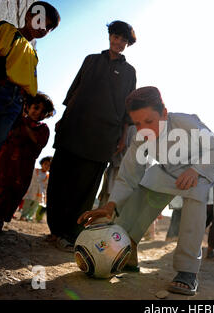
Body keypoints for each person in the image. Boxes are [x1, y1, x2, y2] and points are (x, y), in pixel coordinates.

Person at [78, 86, 214, 296]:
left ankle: (187, 271)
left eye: (149, 121)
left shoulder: (185, 122)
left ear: (164, 113)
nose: (143, 128)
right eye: (137, 123)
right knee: (146, 183)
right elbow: (128, 176)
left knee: (195, 195)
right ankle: (127, 248)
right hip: (168, 172)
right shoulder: (140, 137)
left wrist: (196, 170)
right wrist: (110, 205)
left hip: (203, 172)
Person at [0, 1, 60, 231]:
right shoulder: (6, 30)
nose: (43, 30)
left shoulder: (33, 54)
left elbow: (29, 90)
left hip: (13, 105)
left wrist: (20, 113)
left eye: (48, 28)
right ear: (29, 15)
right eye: (41, 22)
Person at [46, 20, 137, 251]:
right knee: (60, 179)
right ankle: (55, 230)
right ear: (109, 37)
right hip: (75, 126)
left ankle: (71, 232)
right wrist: (63, 119)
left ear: (127, 43)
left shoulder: (129, 72)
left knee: (86, 186)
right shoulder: (91, 60)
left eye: (123, 40)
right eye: (115, 37)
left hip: (103, 136)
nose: (118, 42)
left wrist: (122, 135)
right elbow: (74, 91)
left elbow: (128, 109)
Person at [0, 93, 54, 234]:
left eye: (42, 111)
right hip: (5, 160)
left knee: (14, 191)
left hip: (23, 166)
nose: (38, 113)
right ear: (27, 107)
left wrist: (24, 125)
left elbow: (38, 143)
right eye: (35, 108)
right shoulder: (15, 119)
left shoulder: (43, 129)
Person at [20, 156, 52, 222]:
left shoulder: (48, 175)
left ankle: (29, 217)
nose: (46, 166)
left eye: (49, 165)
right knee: (27, 203)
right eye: (45, 164)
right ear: (42, 163)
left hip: (40, 192)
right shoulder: (35, 170)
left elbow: (46, 186)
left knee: (35, 205)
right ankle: (23, 216)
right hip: (31, 190)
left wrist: (45, 195)